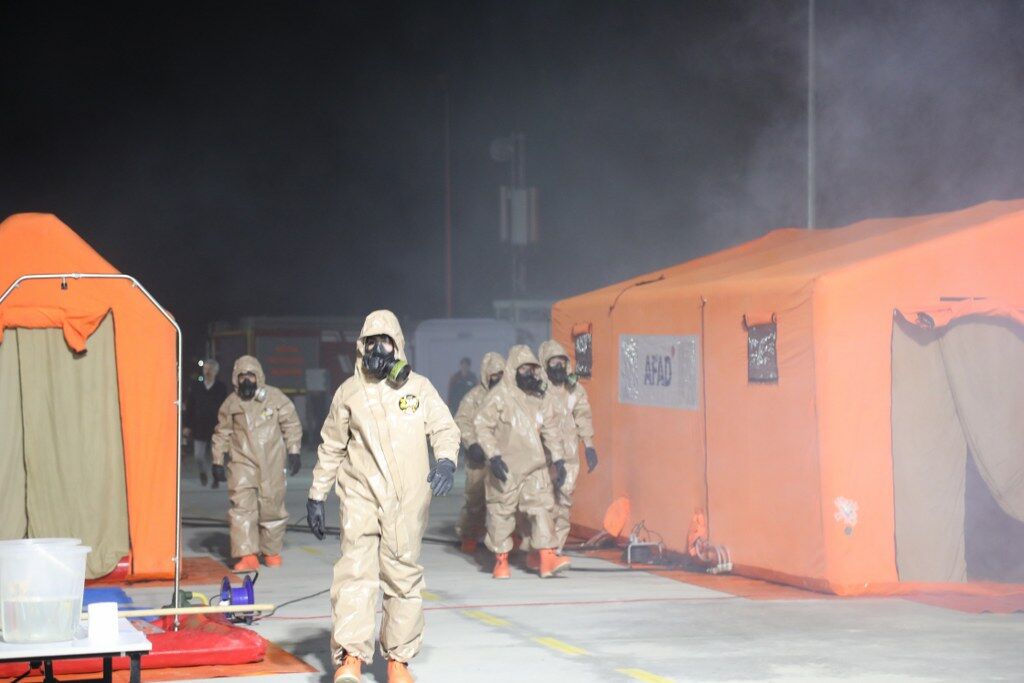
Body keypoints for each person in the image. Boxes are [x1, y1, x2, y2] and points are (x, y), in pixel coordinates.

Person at [305, 310, 459, 683]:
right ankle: (351, 658)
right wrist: (316, 494)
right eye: (371, 342)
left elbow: (444, 427)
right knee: (355, 573)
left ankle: (398, 661)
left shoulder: (418, 388)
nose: (378, 350)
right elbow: (331, 445)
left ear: (398, 346)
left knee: (403, 577)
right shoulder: (349, 393)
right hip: (360, 494)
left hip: (407, 501)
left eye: (385, 342)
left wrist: (445, 461)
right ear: (361, 346)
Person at [474, 344, 570, 580]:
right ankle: (501, 562)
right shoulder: (499, 396)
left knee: (542, 507)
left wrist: (558, 459)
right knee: (501, 512)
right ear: (513, 370)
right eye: (524, 369)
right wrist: (493, 456)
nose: (529, 373)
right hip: (506, 466)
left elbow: (550, 429)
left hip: (535, 465)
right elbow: (482, 425)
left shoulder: (539, 396)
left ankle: (547, 557)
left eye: (532, 368)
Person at [211, 355, 303, 571]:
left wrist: (294, 451)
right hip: (242, 462)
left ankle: (271, 551)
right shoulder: (231, 403)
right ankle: (247, 555)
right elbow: (222, 433)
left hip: (272, 461)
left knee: (272, 507)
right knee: (242, 509)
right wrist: (217, 460)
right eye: (242, 376)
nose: (246, 380)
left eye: (250, 375)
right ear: (235, 378)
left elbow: (291, 423)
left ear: (258, 376)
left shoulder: (275, 398)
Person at [537, 340, 598, 554]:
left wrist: (589, 446)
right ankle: (540, 545)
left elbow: (583, 416)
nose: (558, 366)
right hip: (543, 455)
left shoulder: (574, 390)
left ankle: (555, 549)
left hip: (569, 455)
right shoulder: (538, 390)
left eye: (561, 362)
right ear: (545, 364)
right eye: (553, 362)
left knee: (564, 501)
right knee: (543, 501)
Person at [453, 351, 505, 554]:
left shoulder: (511, 396)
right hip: (480, 457)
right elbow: (462, 420)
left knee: (506, 500)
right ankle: (469, 535)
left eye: (501, 374)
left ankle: (507, 537)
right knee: (475, 499)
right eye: (494, 375)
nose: (497, 379)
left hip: (504, 456)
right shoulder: (474, 397)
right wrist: (472, 443)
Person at [183, 358, 228, 488]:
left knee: (216, 455)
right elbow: (190, 407)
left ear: (216, 371)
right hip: (199, 426)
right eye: (205, 369)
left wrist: (226, 424)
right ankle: (202, 472)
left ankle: (216, 478)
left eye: (211, 369)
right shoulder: (196, 387)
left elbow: (225, 408)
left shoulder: (221, 387)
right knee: (198, 456)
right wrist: (187, 426)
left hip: (216, 426)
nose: (208, 372)